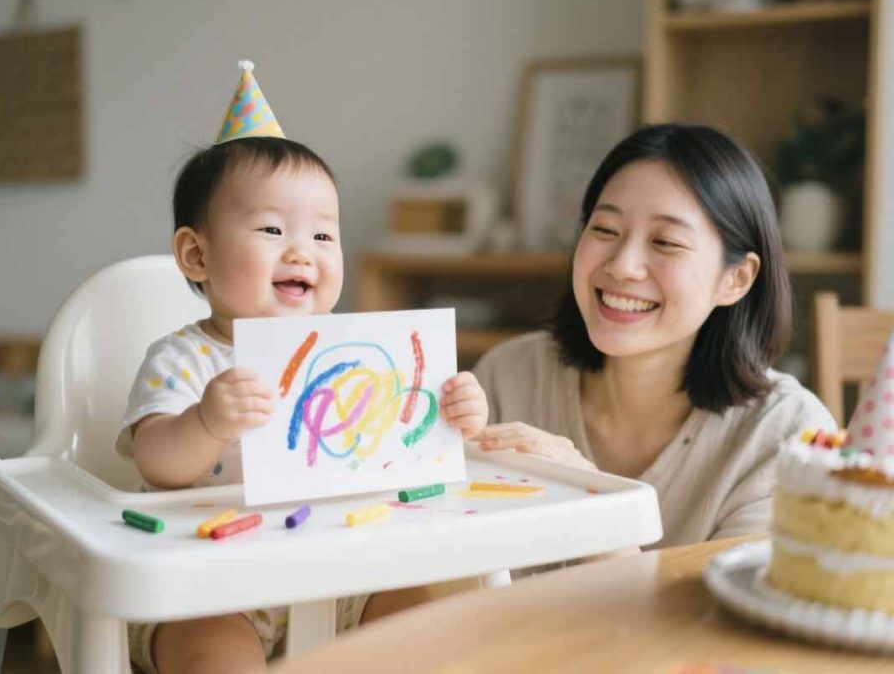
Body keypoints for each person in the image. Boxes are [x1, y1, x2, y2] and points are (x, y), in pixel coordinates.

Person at [116, 62, 488, 673]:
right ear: (195, 253)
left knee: (428, 632)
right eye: (271, 228)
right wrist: (206, 422)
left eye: (323, 236)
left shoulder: (357, 353)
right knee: (212, 656)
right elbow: (156, 463)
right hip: (212, 587)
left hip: (348, 576)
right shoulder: (183, 358)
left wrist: (452, 415)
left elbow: (404, 451)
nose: (302, 252)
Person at [471, 123, 835, 548]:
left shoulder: (785, 438)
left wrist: (592, 504)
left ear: (736, 279)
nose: (623, 265)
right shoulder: (507, 377)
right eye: (605, 230)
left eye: (665, 241)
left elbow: (722, 615)